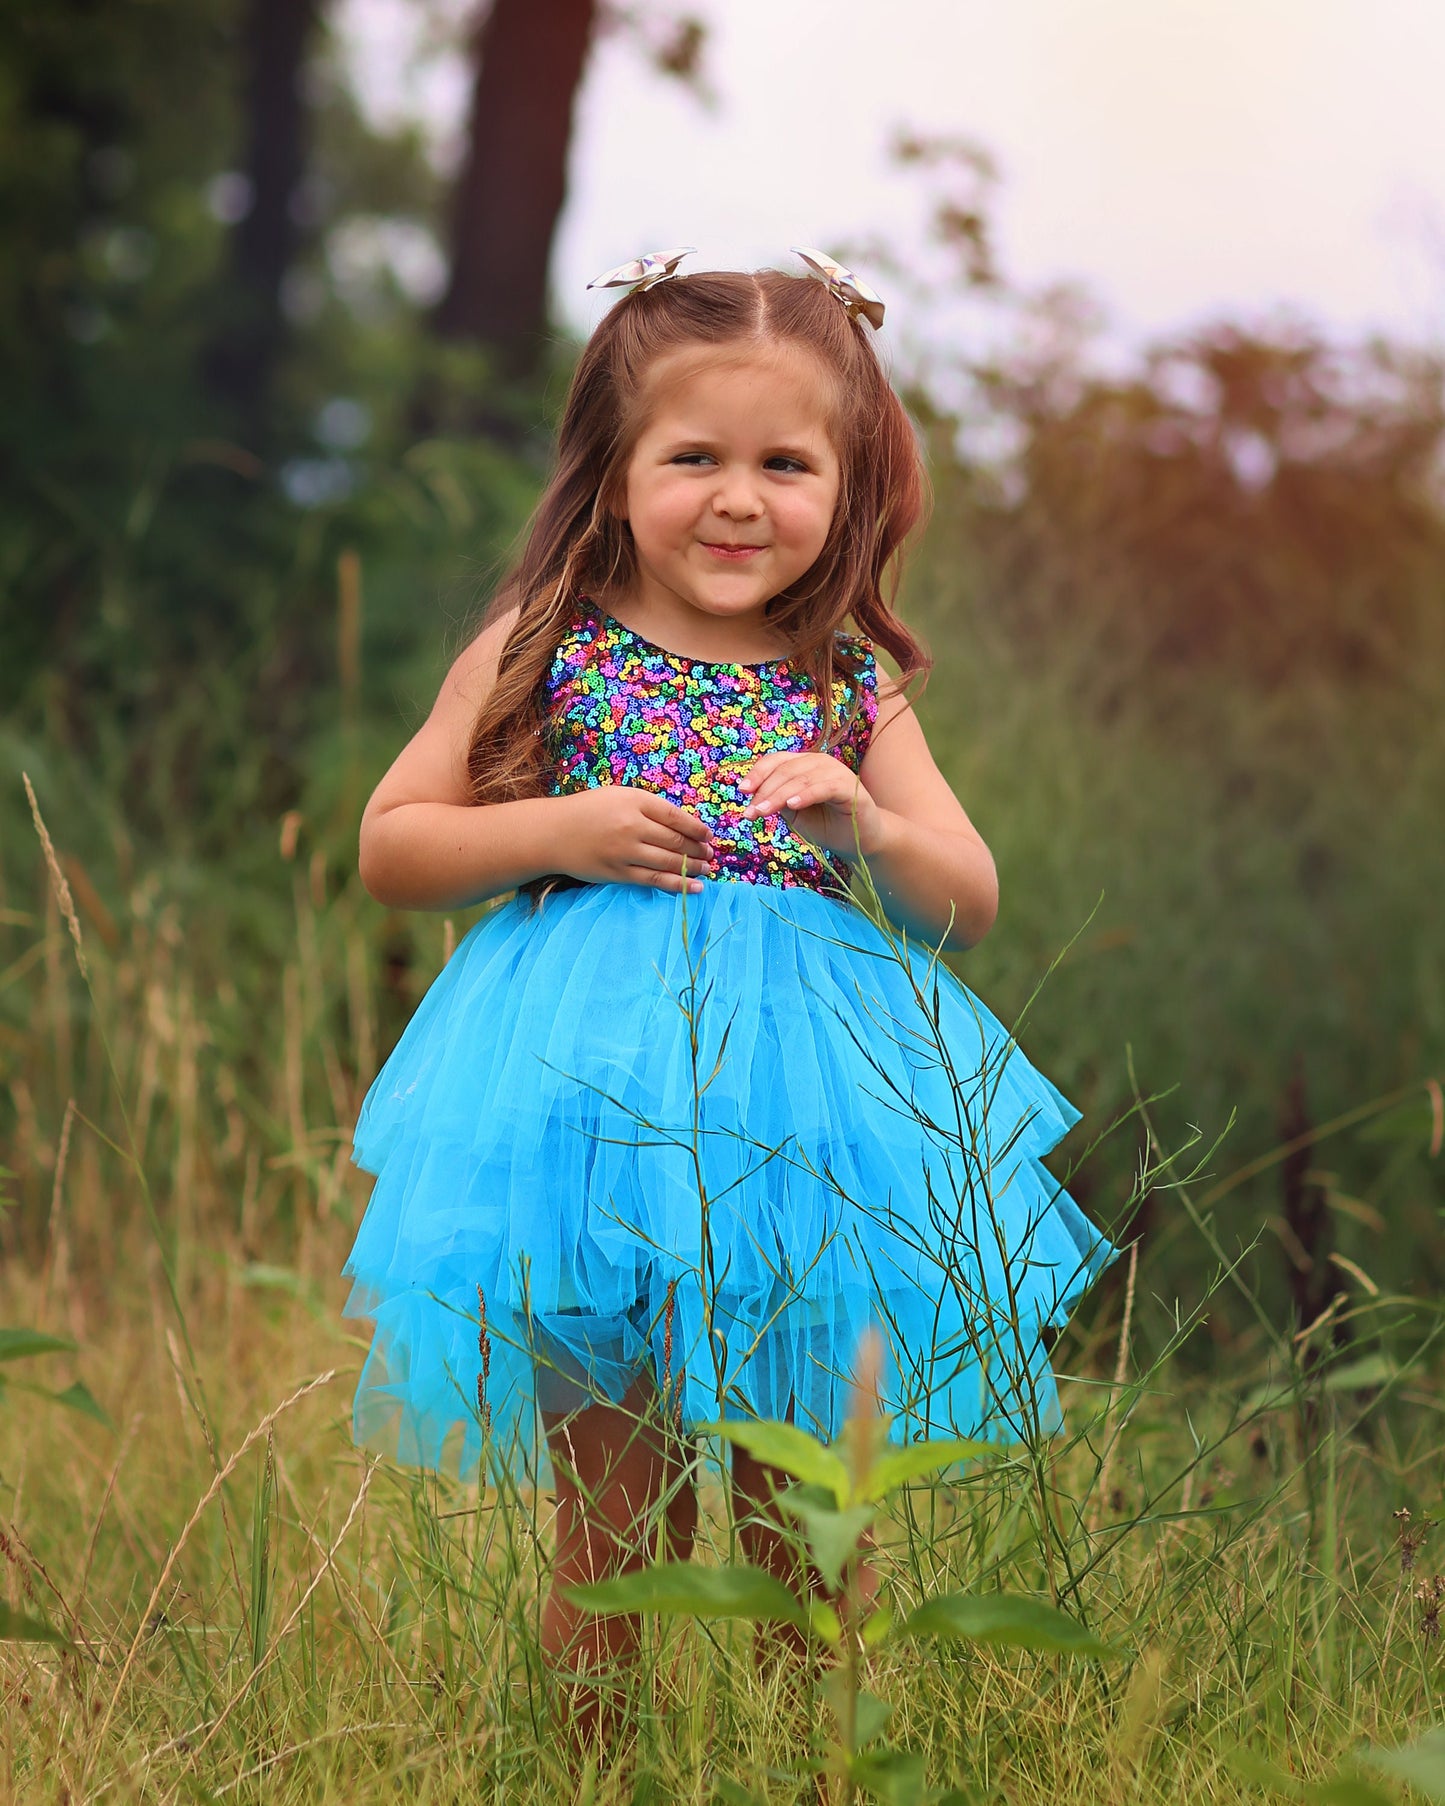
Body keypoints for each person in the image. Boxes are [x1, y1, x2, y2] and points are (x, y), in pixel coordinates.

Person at [341, 249, 1117, 1727]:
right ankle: (590, 1762)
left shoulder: (844, 676)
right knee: (614, 1533)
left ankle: (805, 1761)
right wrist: (556, 829)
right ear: (613, 469)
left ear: (852, 482)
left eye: (785, 461)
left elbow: (970, 898)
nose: (739, 497)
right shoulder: (545, 645)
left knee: (807, 1524)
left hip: (803, 1139)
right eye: (692, 456)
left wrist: (870, 826)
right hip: (586, 1124)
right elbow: (394, 845)